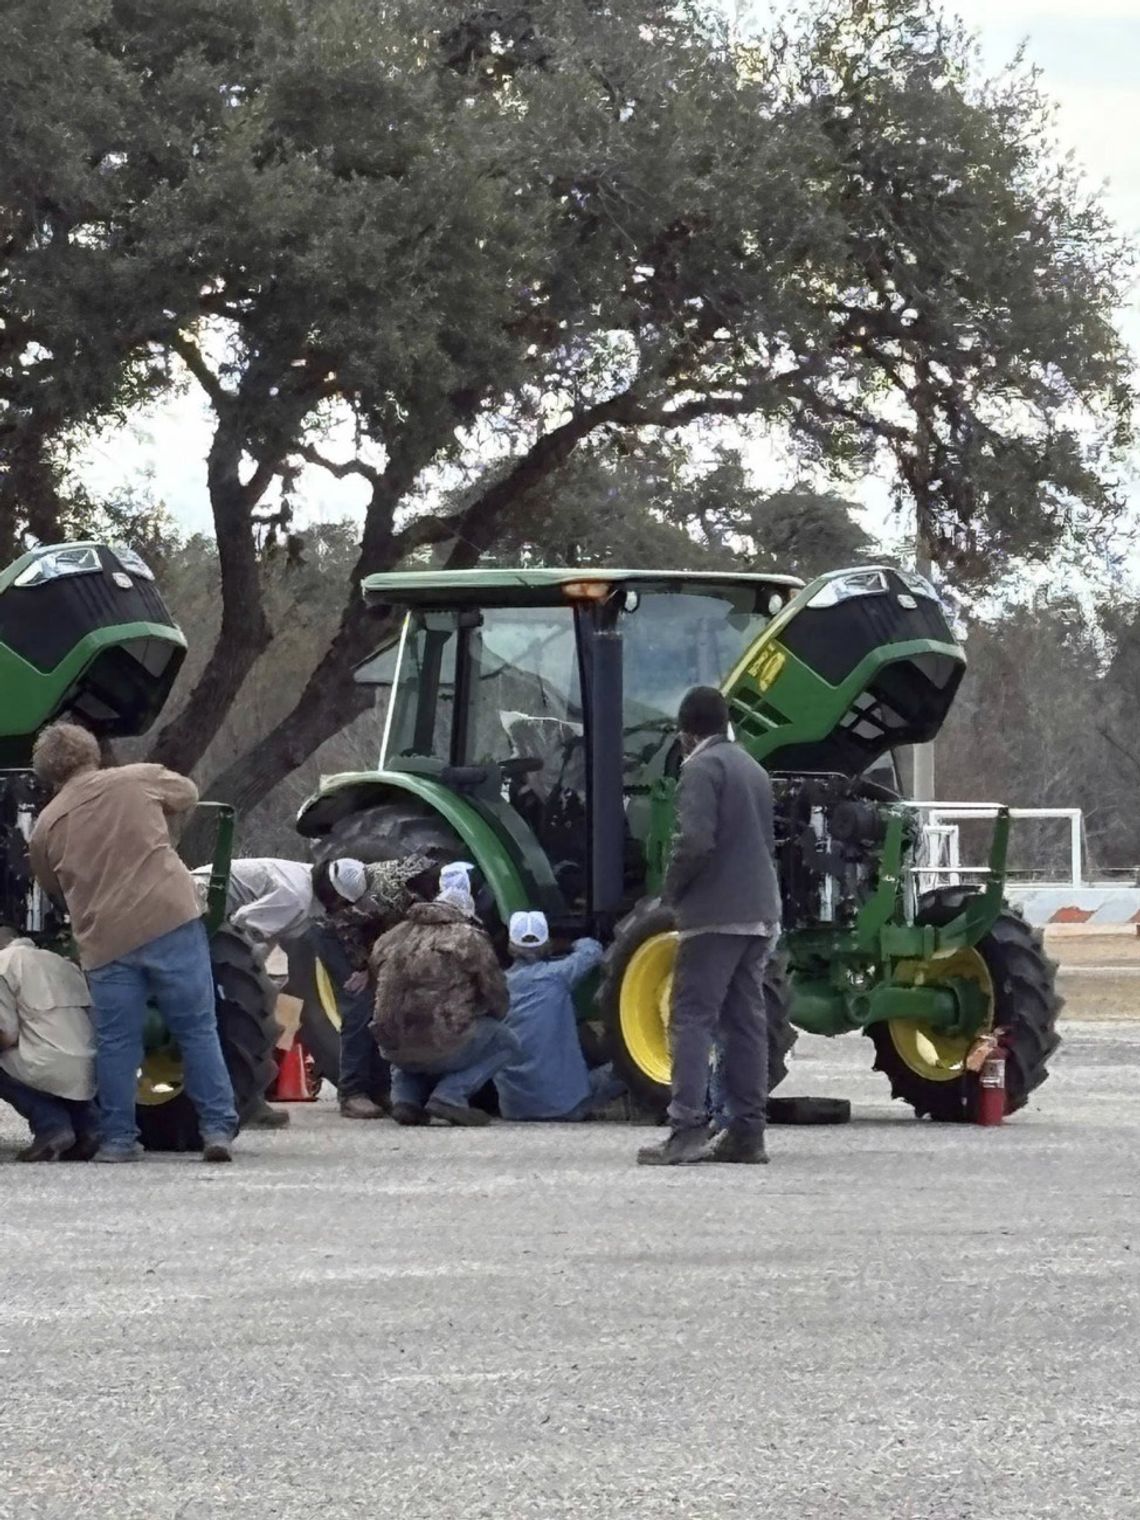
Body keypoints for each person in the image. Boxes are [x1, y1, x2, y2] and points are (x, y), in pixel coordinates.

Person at [27, 722, 239, 1164]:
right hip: (169, 918)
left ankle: (118, 1140)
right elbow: (187, 794)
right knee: (197, 1027)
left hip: (105, 939)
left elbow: (51, 885)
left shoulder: (46, 825)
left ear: (47, 772)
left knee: (116, 1042)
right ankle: (217, 1128)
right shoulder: (138, 779)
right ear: (93, 753)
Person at [637, 686, 781, 1168]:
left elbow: (695, 840)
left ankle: (686, 1129)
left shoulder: (700, 768)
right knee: (745, 1022)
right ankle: (747, 1132)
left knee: (691, 1018)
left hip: (714, 913)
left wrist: (671, 891)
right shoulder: (753, 768)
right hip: (760, 911)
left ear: (684, 733)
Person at [371, 880, 520, 1127]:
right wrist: (488, 1013)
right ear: (466, 914)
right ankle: (451, 1095)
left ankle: (405, 1100)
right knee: (506, 1041)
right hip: (443, 1040)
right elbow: (495, 993)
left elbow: (378, 985)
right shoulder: (468, 938)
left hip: (390, 1044)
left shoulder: (391, 937)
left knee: (404, 1029)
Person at [191, 856, 321, 1130]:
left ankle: (248, 1095)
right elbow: (243, 923)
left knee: (255, 1004)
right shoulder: (296, 896)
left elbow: (267, 936)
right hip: (202, 899)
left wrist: (260, 975)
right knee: (229, 1010)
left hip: (215, 903)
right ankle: (241, 1100)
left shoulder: (306, 890)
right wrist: (250, 974)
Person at [310, 854, 436, 1119]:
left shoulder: (404, 878)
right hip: (336, 937)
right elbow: (347, 929)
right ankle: (352, 1092)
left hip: (367, 936)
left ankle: (381, 1088)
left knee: (384, 1005)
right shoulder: (364, 904)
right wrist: (363, 967)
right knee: (359, 1004)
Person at [495, 910, 625, 1121]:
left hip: (513, 1109)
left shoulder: (499, 986)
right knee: (628, 1068)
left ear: (511, 946)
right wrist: (568, 943)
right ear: (547, 943)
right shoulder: (558, 975)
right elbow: (592, 949)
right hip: (564, 1107)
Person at [0, 927, 99, 1161]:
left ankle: (51, 1127)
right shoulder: (61, 963)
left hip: (46, 1064)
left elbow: (7, 1035)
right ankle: (91, 1126)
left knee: (22, 1060)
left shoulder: (3, 965)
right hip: (88, 1063)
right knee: (56, 1059)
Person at [191, 857, 317, 944]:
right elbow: (240, 926)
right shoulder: (296, 897)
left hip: (216, 900)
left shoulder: (309, 875)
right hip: (203, 898)